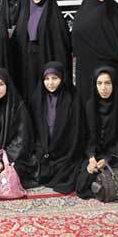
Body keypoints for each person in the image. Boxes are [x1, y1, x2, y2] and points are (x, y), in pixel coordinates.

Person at [75, 66, 118, 199]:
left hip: (117, 154)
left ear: (114, 84)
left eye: (108, 83)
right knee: (81, 185)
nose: (103, 88)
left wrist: (107, 159)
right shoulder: (90, 106)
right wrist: (91, 157)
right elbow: (88, 137)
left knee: (110, 180)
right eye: (99, 83)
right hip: (97, 154)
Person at [29, 62, 84, 193]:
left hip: (65, 153)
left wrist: (67, 153)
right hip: (43, 153)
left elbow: (76, 131)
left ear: (62, 78)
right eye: (47, 79)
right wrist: (40, 150)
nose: (50, 83)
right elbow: (33, 130)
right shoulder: (37, 98)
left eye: (55, 78)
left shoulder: (73, 98)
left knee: (70, 172)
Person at [13, 0, 72, 103]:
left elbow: (60, 40)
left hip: (47, 55)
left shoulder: (53, 14)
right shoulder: (25, 12)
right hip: (28, 57)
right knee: (30, 86)